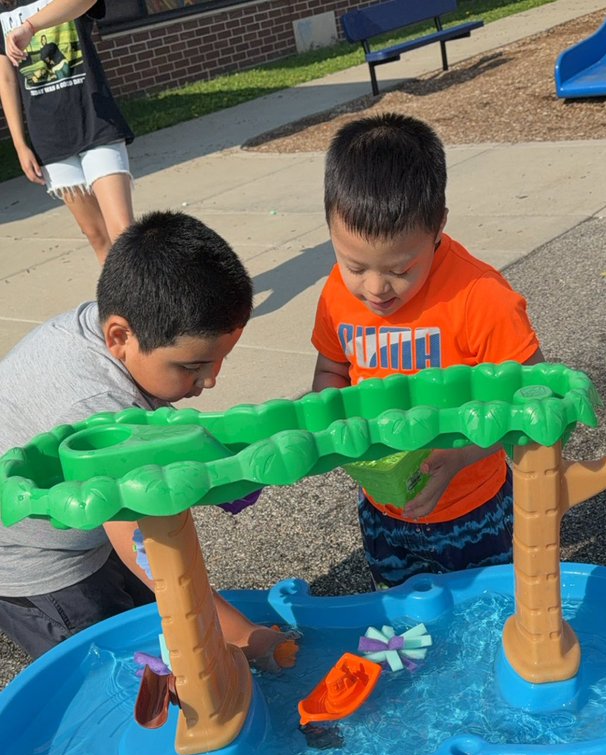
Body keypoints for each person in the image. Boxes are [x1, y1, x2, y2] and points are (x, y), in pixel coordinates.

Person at [0, 209, 289, 670]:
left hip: (81, 526)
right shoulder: (93, 404)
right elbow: (145, 548)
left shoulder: (117, 327)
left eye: (218, 361)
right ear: (120, 336)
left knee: (164, 627)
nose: (210, 380)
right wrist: (243, 635)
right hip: (39, 559)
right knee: (119, 668)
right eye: (192, 367)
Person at [311, 113, 544, 588]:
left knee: (490, 605)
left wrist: (460, 456)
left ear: (438, 225)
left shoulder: (480, 298)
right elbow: (332, 368)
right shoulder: (337, 294)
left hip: (474, 506)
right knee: (399, 609)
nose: (375, 289)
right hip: (381, 507)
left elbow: (533, 401)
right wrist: (331, 420)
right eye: (354, 265)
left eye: (400, 269)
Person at [0, 0, 134, 264]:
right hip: (49, 136)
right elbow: (5, 79)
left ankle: (144, 291)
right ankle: (116, 292)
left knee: (123, 233)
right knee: (96, 235)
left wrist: (30, 27)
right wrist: (19, 144)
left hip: (95, 121)